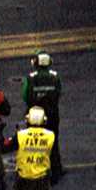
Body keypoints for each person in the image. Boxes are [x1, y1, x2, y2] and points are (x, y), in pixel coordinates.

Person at [5, 107, 56, 190]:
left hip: (24, 177)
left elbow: (6, 147)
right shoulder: (50, 136)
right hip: (42, 177)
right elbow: (53, 155)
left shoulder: (21, 135)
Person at [25, 51, 66, 180]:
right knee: (53, 142)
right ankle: (56, 170)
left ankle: (37, 170)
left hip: (35, 115)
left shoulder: (31, 77)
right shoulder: (55, 76)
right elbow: (59, 92)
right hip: (53, 113)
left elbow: (25, 95)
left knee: (34, 143)